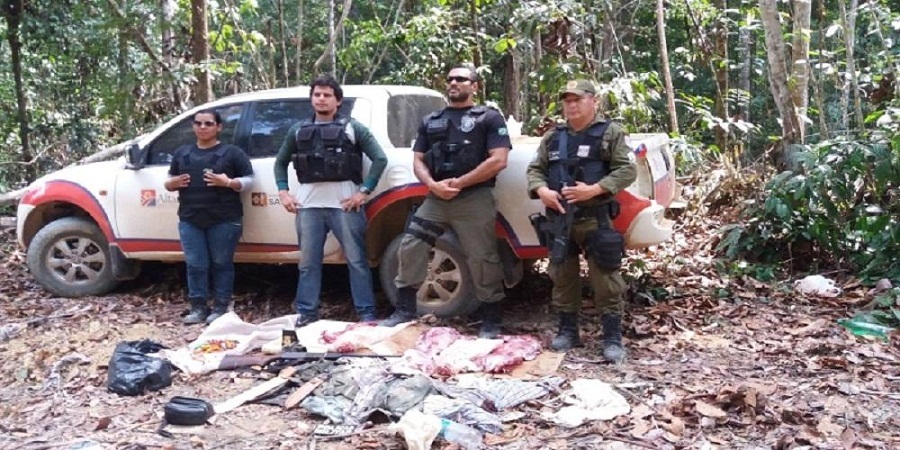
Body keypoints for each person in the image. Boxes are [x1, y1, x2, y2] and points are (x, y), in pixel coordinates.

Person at [380, 66, 511, 338]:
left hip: (474, 198)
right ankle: (405, 309)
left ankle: (491, 318)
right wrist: (432, 185)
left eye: (461, 79)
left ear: (474, 86)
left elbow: (499, 159)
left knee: (482, 256)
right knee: (411, 245)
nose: (453, 82)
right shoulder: (431, 120)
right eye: (450, 79)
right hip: (436, 198)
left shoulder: (488, 117)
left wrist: (460, 183)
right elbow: (418, 160)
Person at [525, 79, 636, 363]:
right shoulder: (553, 136)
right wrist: (542, 190)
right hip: (559, 219)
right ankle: (568, 331)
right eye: (567, 100)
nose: (571, 105)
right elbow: (535, 169)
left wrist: (595, 189)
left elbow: (626, 170)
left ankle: (611, 338)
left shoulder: (610, 133)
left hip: (594, 218)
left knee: (607, 281)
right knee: (562, 277)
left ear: (594, 101)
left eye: (578, 99)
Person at [274, 75, 387, 327]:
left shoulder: (353, 128)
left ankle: (366, 314)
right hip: (308, 206)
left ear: (338, 101)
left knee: (357, 261)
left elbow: (380, 159)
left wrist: (364, 191)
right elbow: (280, 163)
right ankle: (307, 313)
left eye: (327, 95)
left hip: (345, 205)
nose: (321, 99)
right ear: (311, 99)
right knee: (308, 263)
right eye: (317, 94)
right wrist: (283, 192)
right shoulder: (297, 130)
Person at [164, 109, 255, 325]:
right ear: (193, 126)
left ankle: (221, 308)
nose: (202, 127)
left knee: (221, 263)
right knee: (195, 265)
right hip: (190, 218)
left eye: (208, 123)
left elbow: (250, 180)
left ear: (219, 127)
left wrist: (229, 183)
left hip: (224, 219)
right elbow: (169, 179)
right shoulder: (182, 153)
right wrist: (170, 184)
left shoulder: (232, 153)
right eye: (198, 123)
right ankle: (198, 308)